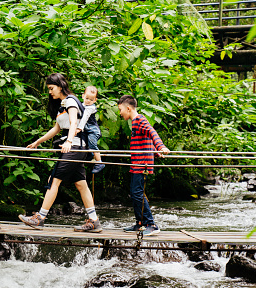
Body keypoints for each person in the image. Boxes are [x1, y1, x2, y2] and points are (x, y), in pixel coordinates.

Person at [18, 73, 102, 233]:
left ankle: (40, 218)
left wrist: (69, 141)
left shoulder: (70, 101)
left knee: (54, 180)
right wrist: (38, 142)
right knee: (81, 184)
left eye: (51, 88)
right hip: (76, 148)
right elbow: (56, 128)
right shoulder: (63, 104)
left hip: (75, 147)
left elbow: (73, 123)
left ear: (60, 86)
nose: (50, 92)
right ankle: (94, 221)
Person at [117, 95, 170, 236]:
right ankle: (140, 223)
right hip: (138, 163)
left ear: (128, 108)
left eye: (120, 109)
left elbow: (152, 132)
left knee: (137, 193)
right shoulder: (135, 122)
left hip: (142, 164)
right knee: (135, 193)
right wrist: (155, 151)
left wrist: (160, 147)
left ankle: (151, 224)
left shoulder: (139, 119)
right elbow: (146, 138)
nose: (120, 113)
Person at [76, 85, 105, 174]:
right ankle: (90, 155)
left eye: (91, 100)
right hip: (87, 130)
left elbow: (84, 118)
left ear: (95, 100)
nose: (88, 101)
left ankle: (99, 162)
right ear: (83, 96)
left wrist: (79, 128)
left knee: (92, 144)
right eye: (87, 98)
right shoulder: (81, 105)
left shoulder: (91, 108)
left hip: (93, 130)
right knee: (85, 143)